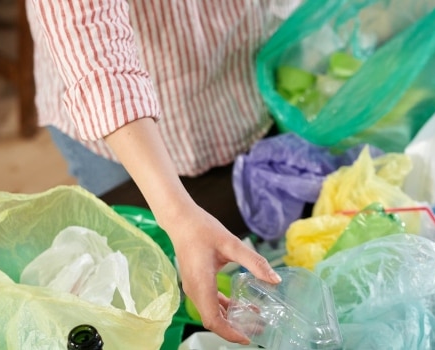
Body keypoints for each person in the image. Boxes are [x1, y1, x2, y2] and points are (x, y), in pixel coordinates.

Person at [26, 0, 299, 344]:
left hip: (247, 72)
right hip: (121, 124)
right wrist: (178, 216)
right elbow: (91, 38)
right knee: (129, 258)